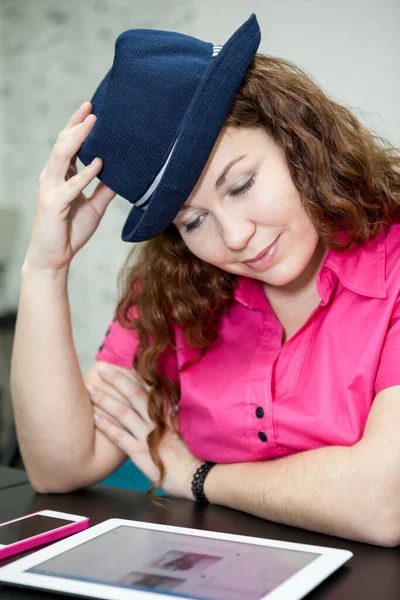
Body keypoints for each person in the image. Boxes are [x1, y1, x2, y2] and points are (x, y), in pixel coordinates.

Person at [10, 13, 400, 548]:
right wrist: (45, 269)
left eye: (241, 184)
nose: (235, 236)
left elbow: (384, 503)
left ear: (296, 138)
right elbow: (60, 468)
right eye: (193, 221)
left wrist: (197, 476)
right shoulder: (177, 288)